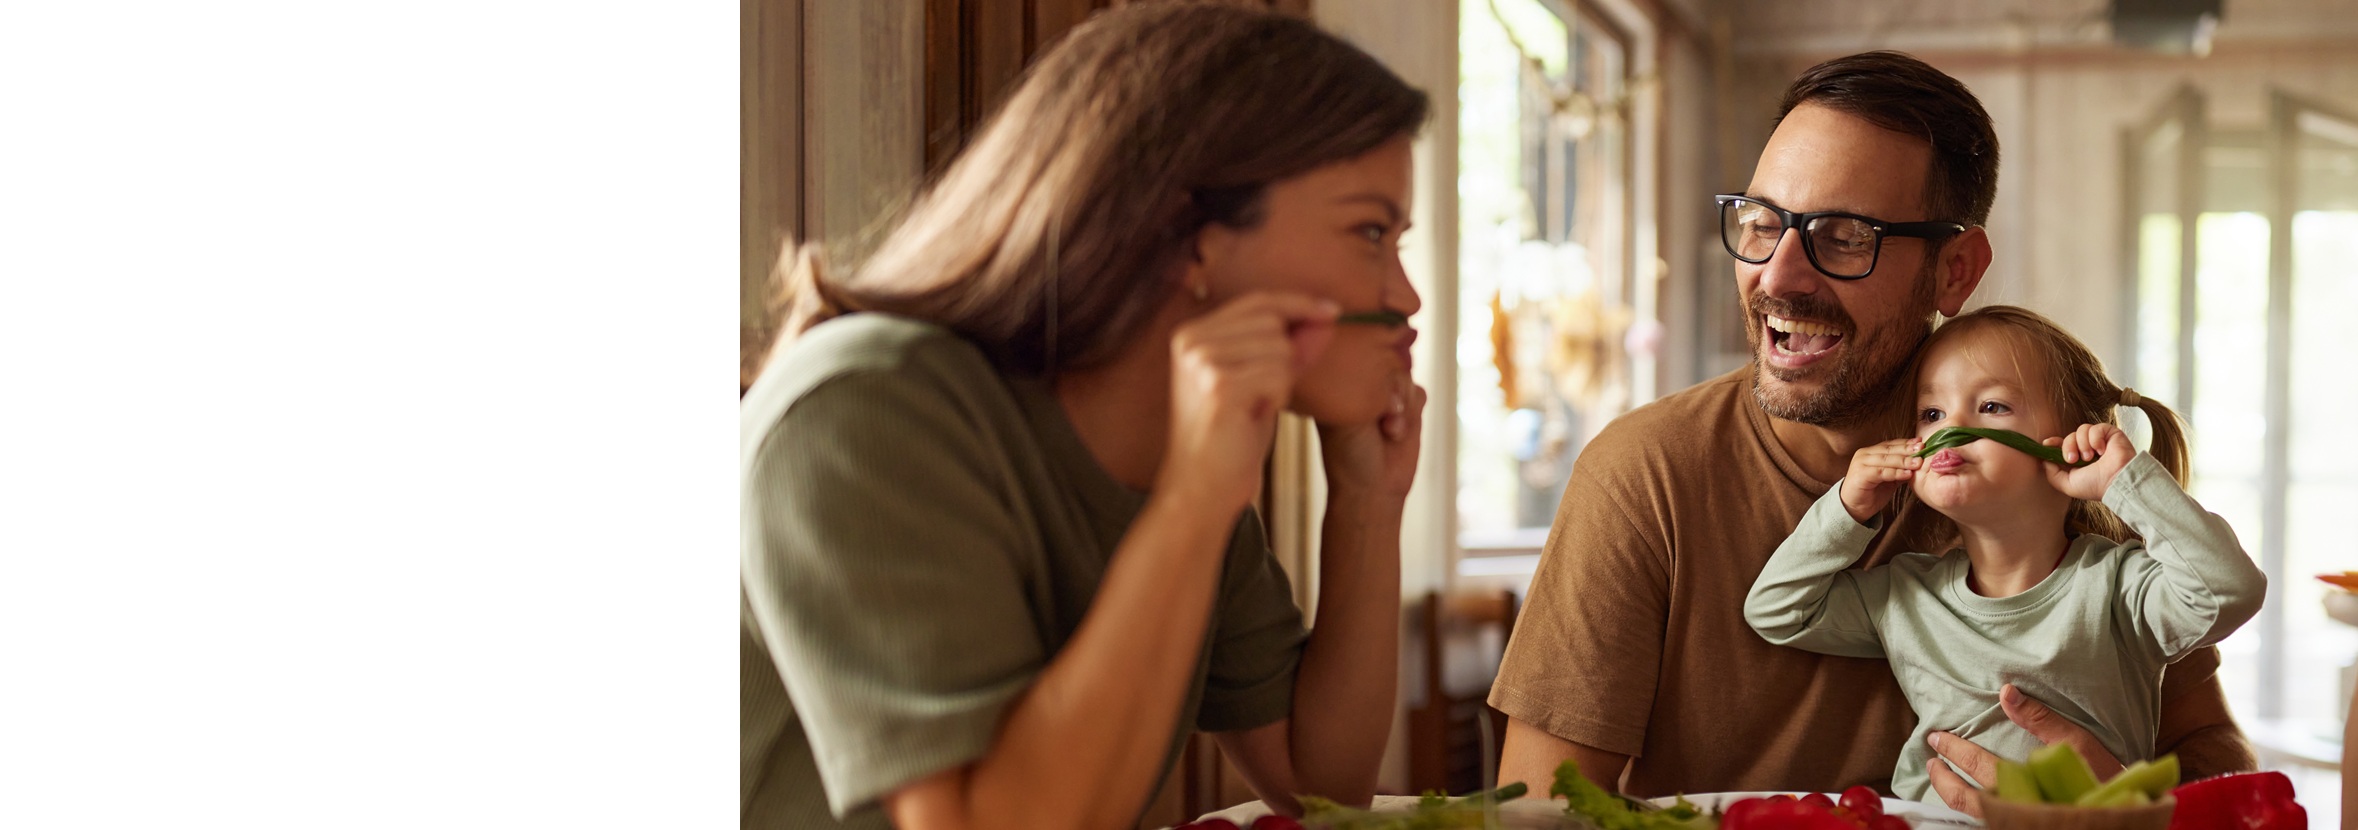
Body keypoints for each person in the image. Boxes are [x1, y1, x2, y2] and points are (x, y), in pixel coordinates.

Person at [1488, 50, 2256, 817]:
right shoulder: (1640, 477)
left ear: (1955, 270)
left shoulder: (2046, 463)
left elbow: (2216, 753)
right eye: (1761, 224)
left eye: (1845, 235)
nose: (1778, 276)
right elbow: (1536, 812)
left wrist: (2125, 801)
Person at [740, 4, 1431, 830]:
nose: (1405, 295)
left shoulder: (1175, 456)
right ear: (1190, 236)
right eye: (1369, 232)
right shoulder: (863, 413)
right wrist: (1192, 507)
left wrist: (1366, 501)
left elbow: (1321, 785)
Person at [1743, 305, 2267, 804]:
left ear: (2068, 445)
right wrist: (1847, 507)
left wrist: (2123, 482)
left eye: (1992, 406)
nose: (1949, 428)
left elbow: (2228, 588)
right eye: (1931, 412)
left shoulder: (2120, 590)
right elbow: (1777, 610)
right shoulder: (1904, 594)